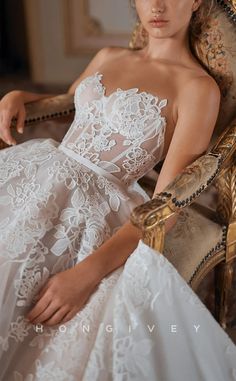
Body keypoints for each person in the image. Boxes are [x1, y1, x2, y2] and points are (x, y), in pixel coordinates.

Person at [0, 0, 235, 379]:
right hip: (38, 171)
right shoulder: (108, 54)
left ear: (195, 1)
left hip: (93, 207)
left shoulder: (197, 88)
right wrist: (20, 97)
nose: (157, 6)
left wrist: (86, 274)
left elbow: (167, 205)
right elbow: (70, 104)